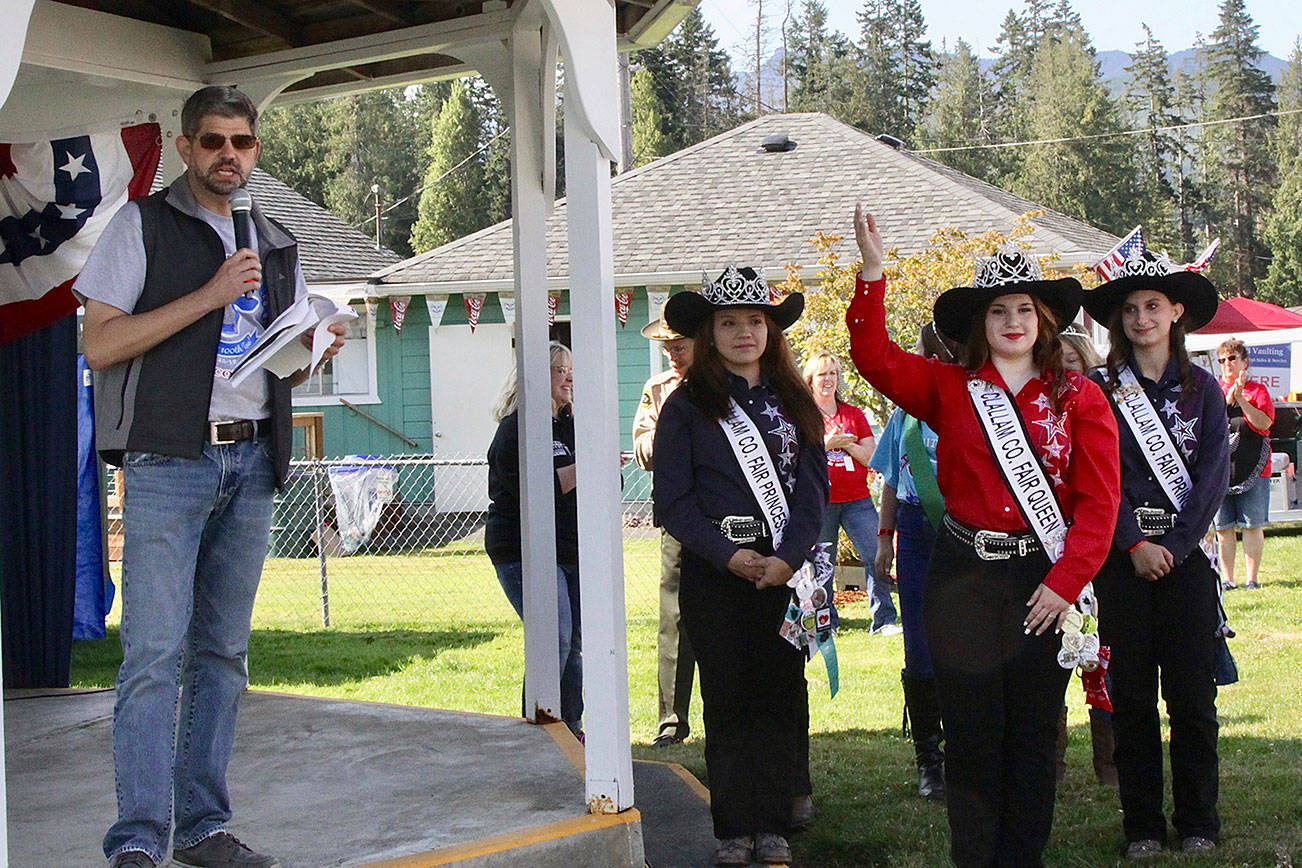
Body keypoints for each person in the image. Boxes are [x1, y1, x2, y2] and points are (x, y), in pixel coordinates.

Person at [77, 86, 347, 868]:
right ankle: (137, 840)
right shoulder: (142, 226)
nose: (229, 154)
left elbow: (275, 351)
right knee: (153, 656)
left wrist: (312, 346)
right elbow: (100, 345)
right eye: (213, 141)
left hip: (252, 458)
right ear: (185, 146)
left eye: (243, 141)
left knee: (224, 654)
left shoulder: (277, 239)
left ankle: (201, 827)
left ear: (256, 149)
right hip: (169, 460)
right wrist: (209, 295)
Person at [846, 206, 1121, 867]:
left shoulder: (1081, 399)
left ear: (1044, 319)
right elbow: (874, 357)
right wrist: (874, 273)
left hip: (1041, 584)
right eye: (998, 311)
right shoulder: (947, 388)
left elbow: (1100, 505)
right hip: (962, 578)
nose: (1012, 322)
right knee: (970, 735)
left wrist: (1064, 584)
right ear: (979, 324)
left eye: (1023, 308)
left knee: (1031, 734)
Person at [653, 266, 828, 867]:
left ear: (772, 330)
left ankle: (774, 823)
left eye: (755, 321)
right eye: (728, 322)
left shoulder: (796, 401)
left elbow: (812, 494)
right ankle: (733, 828)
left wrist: (786, 559)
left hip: (782, 572)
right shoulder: (685, 407)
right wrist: (728, 555)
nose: (743, 332)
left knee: (779, 697)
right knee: (725, 699)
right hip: (714, 572)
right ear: (708, 333)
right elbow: (673, 501)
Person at [1082, 248, 1229, 859]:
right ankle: (1141, 824)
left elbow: (1213, 478)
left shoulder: (1207, 391)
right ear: (1118, 320)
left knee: (1193, 697)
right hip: (1123, 563)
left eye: (1153, 306)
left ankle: (1199, 821)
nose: (1141, 317)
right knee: (1132, 699)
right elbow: (1092, 478)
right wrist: (1133, 544)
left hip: (1186, 560)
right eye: (1130, 308)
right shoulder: (1098, 390)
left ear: (1176, 312)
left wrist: (1170, 544)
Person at [869, 322, 957, 800]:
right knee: (920, 645)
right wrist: (885, 538)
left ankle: (968, 749)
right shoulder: (904, 414)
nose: (925, 360)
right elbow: (889, 477)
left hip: (968, 531)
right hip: (916, 529)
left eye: (933, 352)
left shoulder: (974, 402)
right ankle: (929, 757)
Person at [485, 341, 583, 737]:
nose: (569, 377)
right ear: (537, 378)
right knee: (553, 636)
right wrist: (589, 464)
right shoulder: (517, 429)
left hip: (571, 547)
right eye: (559, 370)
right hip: (521, 548)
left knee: (575, 641)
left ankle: (572, 727)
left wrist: (601, 466)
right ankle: (539, 727)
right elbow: (537, 487)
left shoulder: (574, 425)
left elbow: (608, 480)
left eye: (570, 370)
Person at [1054, 325, 1120, 788]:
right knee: (1047, 664)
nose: (1062, 373)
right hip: (1048, 547)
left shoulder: (1101, 406)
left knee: (1099, 658)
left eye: (1071, 364)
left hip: (1097, 553)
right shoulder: (1030, 411)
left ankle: (1110, 766)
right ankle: (1050, 767)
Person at [632, 316, 698, 747]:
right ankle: (671, 721)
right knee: (674, 618)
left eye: (680, 346)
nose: (672, 355)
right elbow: (641, 446)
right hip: (679, 518)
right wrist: (671, 437)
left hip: (729, 518)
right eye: (667, 348)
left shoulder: (727, 382)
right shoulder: (658, 389)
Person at [802, 351, 900, 635]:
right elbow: (796, 457)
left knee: (876, 555)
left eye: (832, 374)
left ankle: (884, 620)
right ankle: (825, 622)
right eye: (822, 374)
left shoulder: (853, 414)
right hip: (821, 501)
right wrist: (826, 444)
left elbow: (872, 457)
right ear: (810, 379)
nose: (828, 380)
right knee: (822, 564)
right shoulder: (803, 415)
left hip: (857, 499)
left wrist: (846, 446)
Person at [1214, 338, 1275, 590]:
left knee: (1252, 525)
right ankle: (1228, 579)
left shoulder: (1258, 390)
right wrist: (1227, 400)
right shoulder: (1212, 389)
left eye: (1232, 358)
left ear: (1244, 362)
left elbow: (1264, 424)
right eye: (1222, 360)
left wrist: (1242, 400)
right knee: (1223, 527)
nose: (1227, 364)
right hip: (1220, 471)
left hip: (1254, 468)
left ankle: (1252, 579)